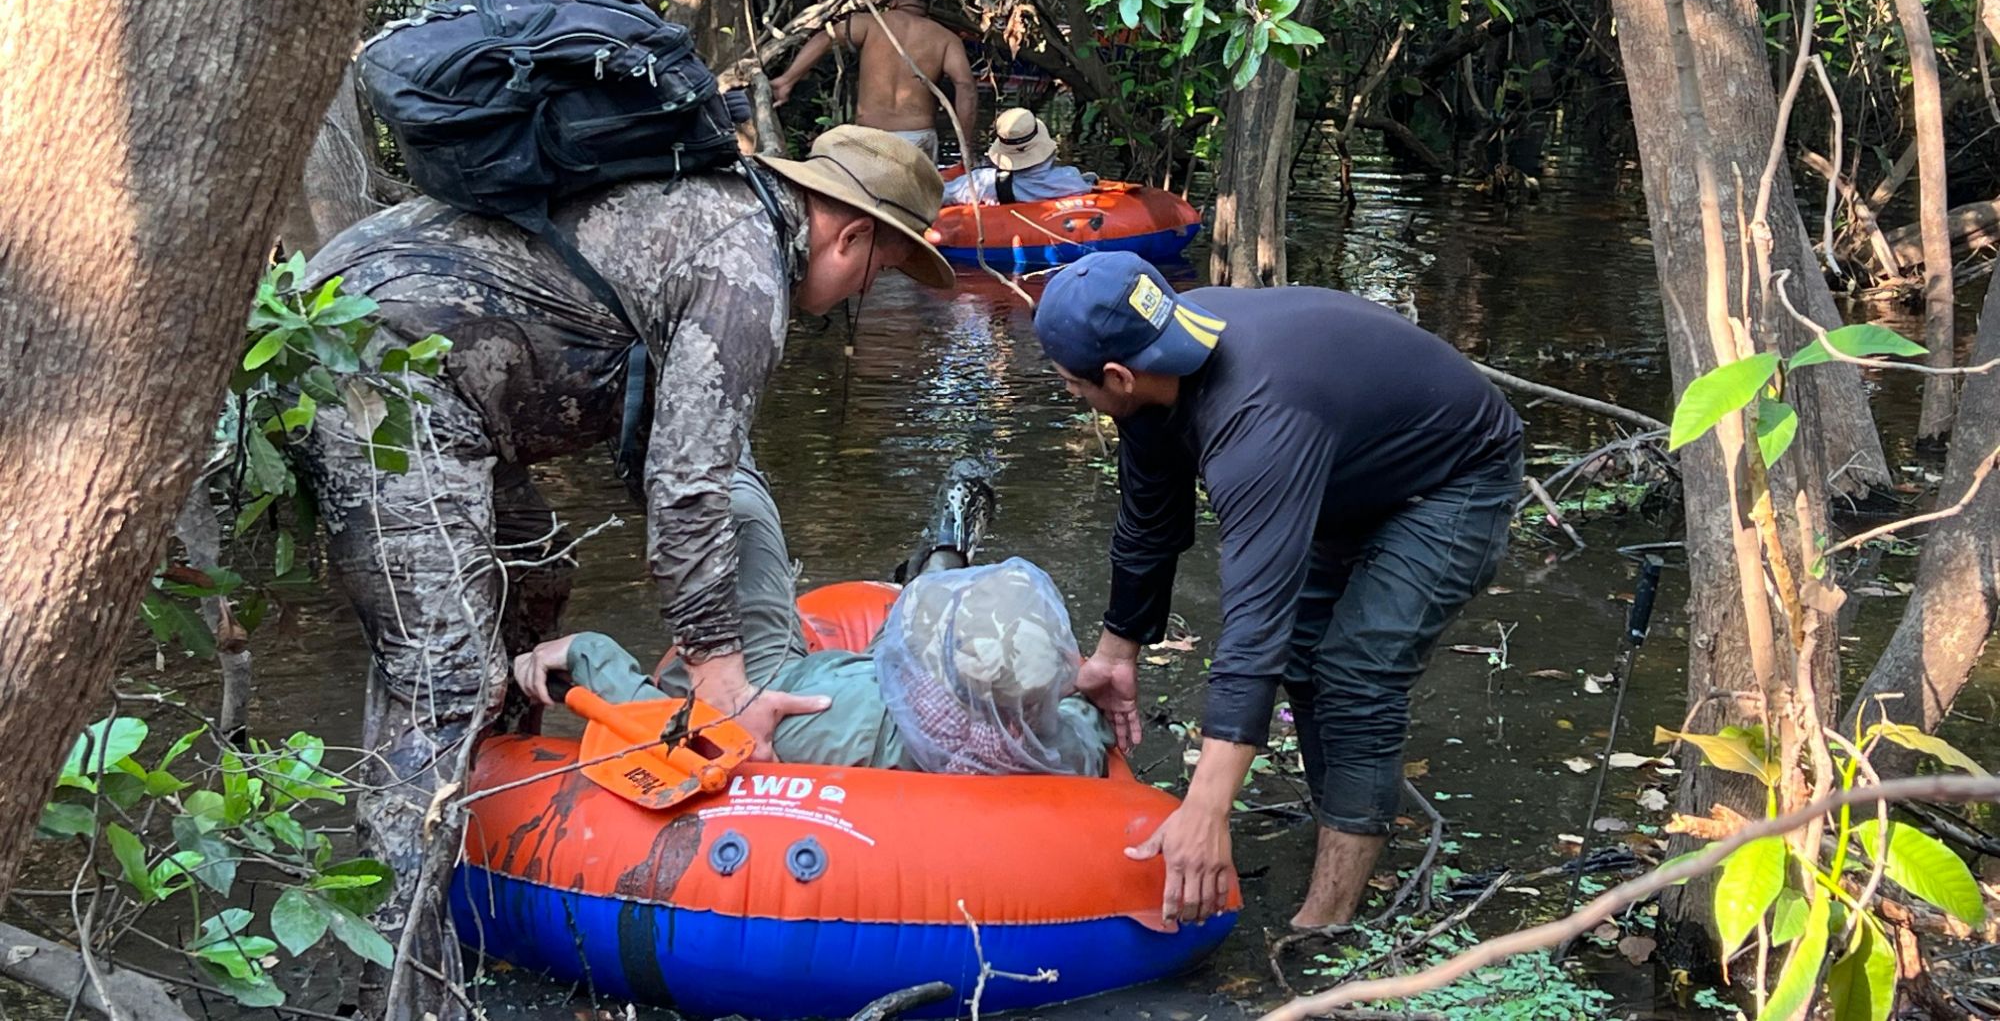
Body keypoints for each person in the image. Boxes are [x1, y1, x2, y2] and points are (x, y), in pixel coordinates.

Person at [293, 126, 952, 1018]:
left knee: (537, 565)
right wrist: (722, 679)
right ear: (853, 235)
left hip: (419, 357)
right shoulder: (747, 269)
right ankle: (400, 992)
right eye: (876, 273)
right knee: (439, 681)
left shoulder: (715, 213)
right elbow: (691, 488)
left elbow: (664, 450)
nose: (859, 295)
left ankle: (501, 784)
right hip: (380, 372)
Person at [1031, 253, 1523, 933]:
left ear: (1116, 377)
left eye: (1070, 385)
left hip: (1452, 478)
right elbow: (1149, 526)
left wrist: (1206, 809)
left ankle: (1328, 920)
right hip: (1343, 466)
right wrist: (1117, 653)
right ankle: (1342, 826)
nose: (1071, 396)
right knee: (1304, 657)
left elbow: (1253, 626)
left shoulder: (1256, 422)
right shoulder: (1156, 360)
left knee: (1357, 672)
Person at [512, 460, 1111, 777]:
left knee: (742, 503)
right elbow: (1087, 716)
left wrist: (586, 652)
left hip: (769, 682)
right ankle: (943, 551)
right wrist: (1085, 690)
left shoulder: (825, 728)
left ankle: (943, 555)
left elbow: (677, 726)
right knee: (905, 633)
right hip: (876, 678)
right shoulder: (1059, 750)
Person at [769, 0, 976, 161]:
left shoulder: (869, 24)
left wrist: (787, 81)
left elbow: (825, 37)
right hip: (917, 139)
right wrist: (966, 148)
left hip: (870, 138)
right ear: (928, 4)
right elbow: (966, 86)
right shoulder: (946, 38)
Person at [942, 107, 1097, 206]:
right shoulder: (1069, 179)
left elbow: (941, 196)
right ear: (1047, 151)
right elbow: (1089, 187)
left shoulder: (983, 183)